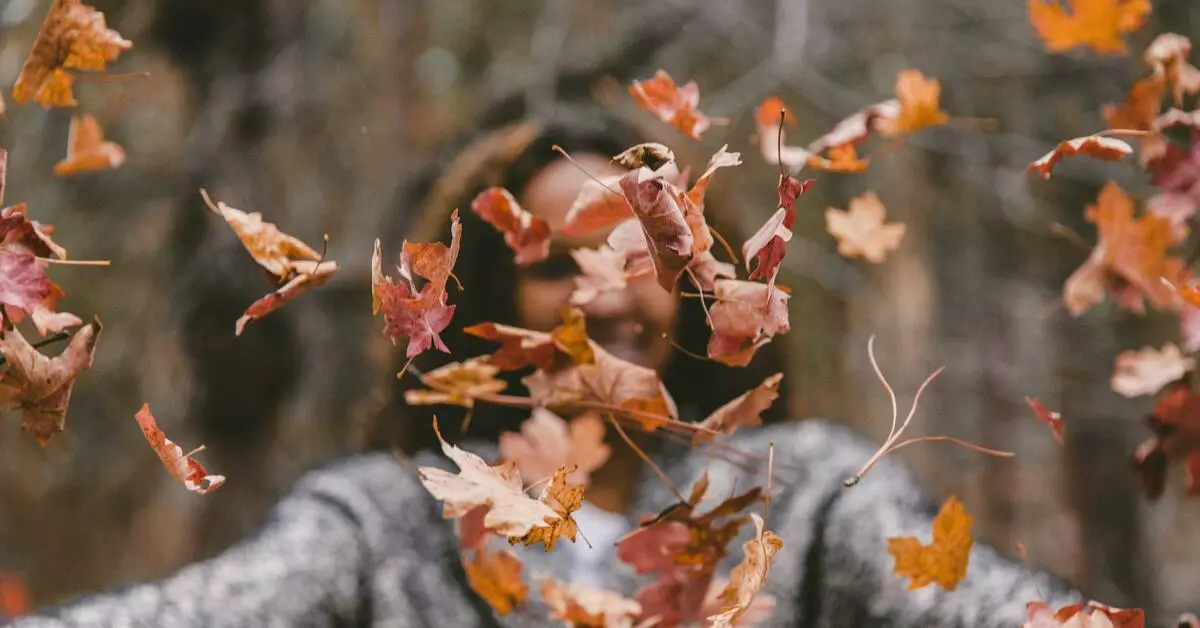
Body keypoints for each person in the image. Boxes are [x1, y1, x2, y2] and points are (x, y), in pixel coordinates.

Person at [11, 108, 1079, 628]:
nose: (605, 292)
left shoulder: (801, 493)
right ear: (487, 303)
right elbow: (209, 611)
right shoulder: (391, 520)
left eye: (640, 256)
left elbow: (979, 607)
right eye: (556, 266)